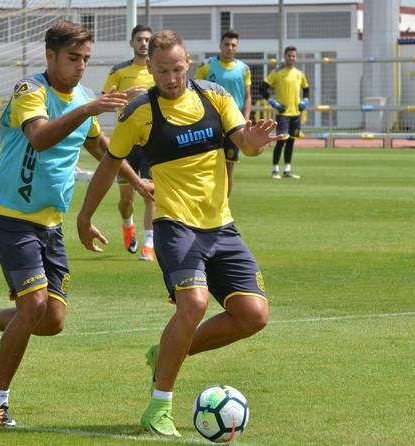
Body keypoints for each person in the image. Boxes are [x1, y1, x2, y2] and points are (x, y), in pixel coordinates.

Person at [0, 20, 151, 428]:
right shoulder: (29, 90)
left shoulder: (84, 98)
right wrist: (88, 108)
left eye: (86, 59)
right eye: (73, 58)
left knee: (50, 321)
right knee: (32, 307)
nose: (80, 67)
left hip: (50, 225)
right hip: (10, 219)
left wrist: (138, 184)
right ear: (50, 56)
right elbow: (39, 137)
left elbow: (103, 149)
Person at [76, 30, 282, 437]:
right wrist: (84, 216)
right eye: (162, 70)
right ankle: (158, 407)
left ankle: (167, 351)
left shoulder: (214, 97)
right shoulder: (139, 112)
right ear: (149, 68)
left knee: (254, 315)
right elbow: (108, 163)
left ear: (188, 63)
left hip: (221, 226)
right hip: (175, 225)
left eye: (177, 68)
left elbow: (244, 141)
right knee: (194, 305)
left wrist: (255, 144)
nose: (171, 77)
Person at [102, 24, 157, 261]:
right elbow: (104, 101)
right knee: (126, 201)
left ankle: (149, 244)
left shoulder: (158, 69)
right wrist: (127, 96)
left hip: (153, 143)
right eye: (139, 39)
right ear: (131, 42)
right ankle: (128, 224)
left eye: (147, 39)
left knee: (150, 195)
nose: (143, 43)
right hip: (125, 144)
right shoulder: (119, 71)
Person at [194, 29, 251, 195]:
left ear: (237, 47)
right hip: (210, 121)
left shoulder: (244, 68)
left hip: (233, 124)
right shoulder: (206, 65)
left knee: (228, 167)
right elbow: (196, 92)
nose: (230, 48)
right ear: (220, 45)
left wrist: (246, 119)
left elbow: (248, 96)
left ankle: (224, 207)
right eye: (227, 44)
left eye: (233, 45)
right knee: (205, 165)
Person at [260, 45, 309, 179]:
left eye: (294, 56)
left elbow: (306, 88)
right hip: (283, 115)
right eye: (289, 55)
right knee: (280, 142)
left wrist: (305, 100)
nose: (291, 58)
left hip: (296, 114)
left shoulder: (300, 74)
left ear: (296, 58)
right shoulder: (277, 73)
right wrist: (273, 102)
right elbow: (262, 88)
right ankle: (275, 169)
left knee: (291, 142)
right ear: (285, 56)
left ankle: (287, 169)